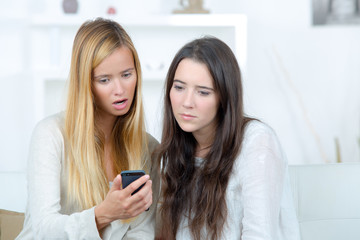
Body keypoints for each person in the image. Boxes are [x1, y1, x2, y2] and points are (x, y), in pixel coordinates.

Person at [16, 18, 159, 239]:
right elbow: (44, 229)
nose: (120, 89)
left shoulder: (148, 148)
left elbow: (142, 232)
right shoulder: (50, 135)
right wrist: (103, 214)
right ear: (86, 85)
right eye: (104, 80)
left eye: (127, 75)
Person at [155, 36, 300, 240]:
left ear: (224, 98)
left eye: (203, 92)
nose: (186, 102)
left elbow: (259, 234)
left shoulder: (257, 143)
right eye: (179, 87)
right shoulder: (178, 149)